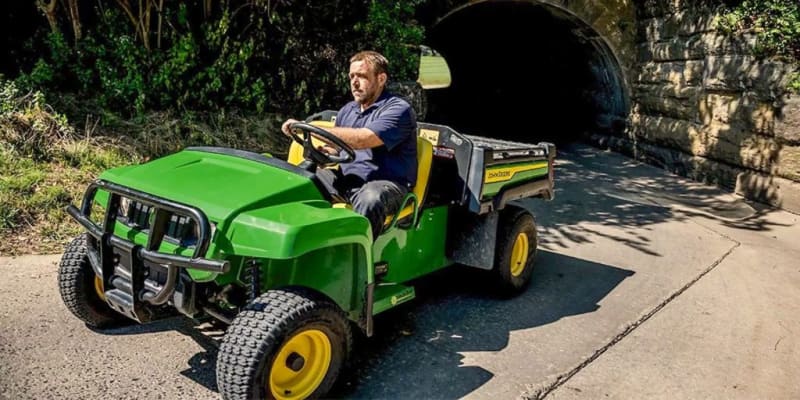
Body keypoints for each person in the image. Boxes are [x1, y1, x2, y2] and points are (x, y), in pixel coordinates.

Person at [282, 50, 418, 240]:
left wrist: (310, 129)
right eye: (352, 76)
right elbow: (338, 148)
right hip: (348, 180)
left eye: (362, 76)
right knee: (296, 182)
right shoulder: (348, 110)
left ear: (381, 79)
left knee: (370, 198)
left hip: (387, 185)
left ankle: (356, 258)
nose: (354, 82)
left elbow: (363, 139)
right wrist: (322, 152)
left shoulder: (398, 110)